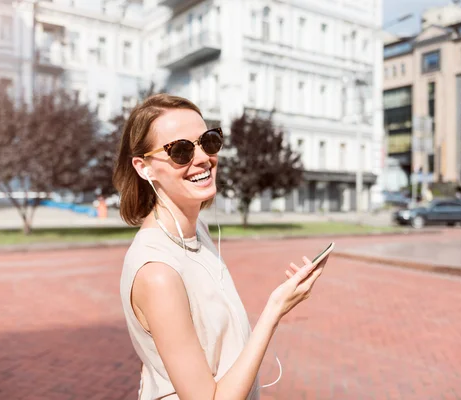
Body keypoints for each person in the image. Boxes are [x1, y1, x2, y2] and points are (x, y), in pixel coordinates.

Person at [114, 94, 329, 400]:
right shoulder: (158, 272)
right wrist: (275, 309)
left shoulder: (198, 231)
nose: (202, 157)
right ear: (144, 167)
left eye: (208, 141)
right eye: (181, 150)